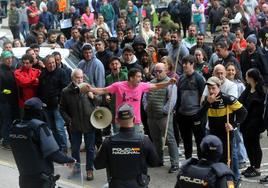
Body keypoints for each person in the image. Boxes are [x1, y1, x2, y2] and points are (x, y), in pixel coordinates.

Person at [83, 68, 176, 133]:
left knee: (134, 145)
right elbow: (103, 90)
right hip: (120, 120)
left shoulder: (141, 85)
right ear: (131, 78)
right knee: (120, 145)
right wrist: (91, 89)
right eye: (138, 77)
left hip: (135, 121)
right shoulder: (118, 85)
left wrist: (168, 83)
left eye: (141, 76)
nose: (141, 79)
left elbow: (156, 86)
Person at [10, 97, 76, 188]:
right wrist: (69, 159)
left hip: (24, 177)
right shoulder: (39, 127)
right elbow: (53, 153)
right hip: (41, 179)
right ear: (39, 111)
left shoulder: (15, 128)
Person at [94, 103, 159, 188]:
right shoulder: (144, 140)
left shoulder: (108, 142)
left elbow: (98, 165)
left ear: (117, 120)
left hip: (116, 185)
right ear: (134, 119)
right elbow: (154, 162)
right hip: (139, 184)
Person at [60, 69, 98, 181]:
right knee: (75, 149)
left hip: (89, 124)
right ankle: (76, 171)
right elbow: (62, 109)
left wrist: (93, 96)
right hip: (75, 125)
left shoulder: (88, 88)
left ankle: (89, 170)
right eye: (77, 77)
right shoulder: (66, 91)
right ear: (72, 78)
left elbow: (99, 102)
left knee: (90, 149)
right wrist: (69, 121)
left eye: (81, 77)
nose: (80, 79)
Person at [199, 76, 247, 164]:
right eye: (209, 88)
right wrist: (208, 104)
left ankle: (232, 177)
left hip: (226, 134)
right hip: (213, 134)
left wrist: (234, 125)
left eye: (213, 88)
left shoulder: (227, 99)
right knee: (214, 160)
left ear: (219, 87)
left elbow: (243, 112)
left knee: (227, 160)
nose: (211, 91)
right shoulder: (207, 100)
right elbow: (198, 116)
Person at [143, 63, 179, 173]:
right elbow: (145, 97)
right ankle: (158, 160)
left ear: (166, 71)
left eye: (160, 71)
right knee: (156, 139)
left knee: (170, 139)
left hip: (164, 117)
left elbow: (171, 100)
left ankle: (175, 163)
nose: (157, 73)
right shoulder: (150, 83)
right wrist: (146, 107)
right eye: (156, 71)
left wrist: (164, 110)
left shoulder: (170, 83)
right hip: (151, 116)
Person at [176, 55, 206, 160]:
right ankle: (188, 161)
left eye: (186, 63)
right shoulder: (181, 78)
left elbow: (203, 97)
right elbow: (178, 96)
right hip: (183, 115)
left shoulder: (199, 78)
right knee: (186, 140)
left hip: (196, 115)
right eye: (183, 63)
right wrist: (177, 111)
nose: (184, 65)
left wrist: (200, 114)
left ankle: (201, 160)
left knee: (199, 140)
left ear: (192, 64)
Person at [239, 68, 265, 178]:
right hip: (245, 122)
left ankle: (257, 168)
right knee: (247, 145)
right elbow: (240, 101)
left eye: (246, 76)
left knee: (255, 145)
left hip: (255, 124)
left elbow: (261, 110)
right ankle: (252, 165)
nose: (245, 78)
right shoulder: (248, 89)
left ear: (251, 78)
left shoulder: (262, 92)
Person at [0, 51, 19, 150]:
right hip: (4, 101)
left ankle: (10, 139)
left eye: (10, 58)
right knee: (7, 121)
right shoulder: (1, 71)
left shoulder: (13, 69)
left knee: (13, 120)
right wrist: (3, 92)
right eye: (7, 59)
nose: (9, 60)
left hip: (14, 100)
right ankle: (5, 141)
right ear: (2, 60)